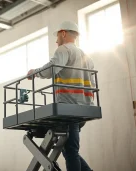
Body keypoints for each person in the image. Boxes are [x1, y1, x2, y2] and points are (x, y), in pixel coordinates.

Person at [27, 21, 94, 171]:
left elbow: (52, 68)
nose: (56, 41)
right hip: (83, 109)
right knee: (67, 149)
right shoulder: (87, 57)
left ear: (63, 33)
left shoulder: (63, 49)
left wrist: (34, 73)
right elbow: (92, 84)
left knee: (70, 151)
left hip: (69, 108)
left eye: (57, 36)